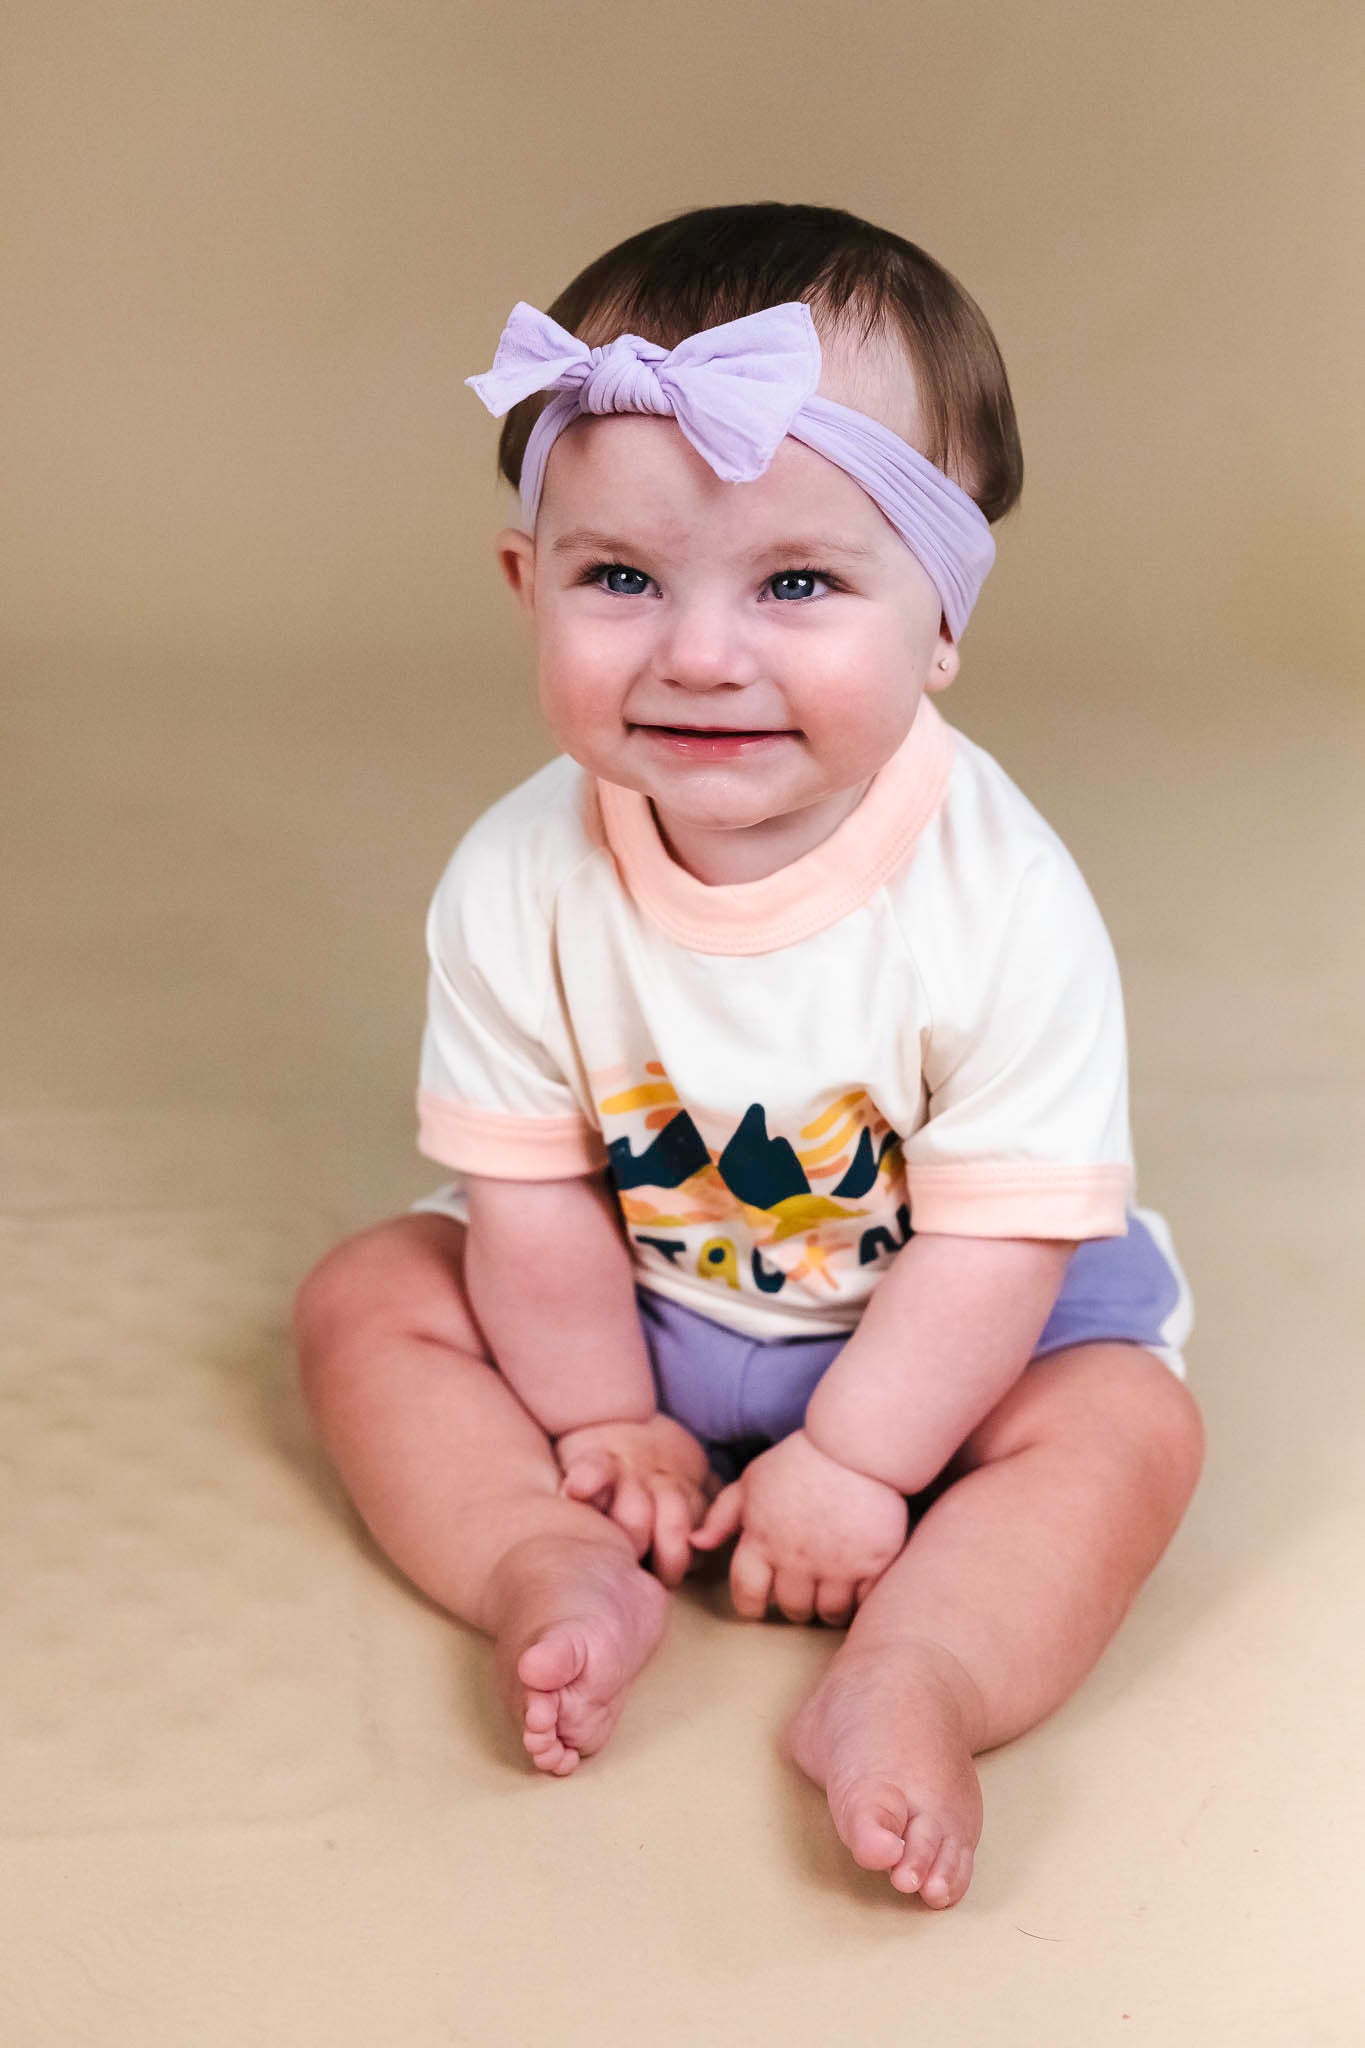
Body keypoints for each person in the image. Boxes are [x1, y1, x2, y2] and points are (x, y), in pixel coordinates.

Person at [292, 201, 1204, 1910]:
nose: (700, 655)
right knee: (366, 1298)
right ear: (528, 586)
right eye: (620, 579)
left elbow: (1002, 1234)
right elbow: (529, 1190)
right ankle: (541, 1559)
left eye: (797, 584)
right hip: (629, 1290)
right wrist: (602, 1415)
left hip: (952, 1325)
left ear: (939, 617)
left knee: (1124, 1427)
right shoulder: (516, 871)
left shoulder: (998, 894)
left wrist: (859, 1462)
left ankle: (919, 1671)